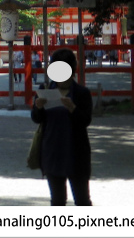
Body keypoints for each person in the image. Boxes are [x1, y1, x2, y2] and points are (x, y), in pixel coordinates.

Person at [31, 48, 93, 206]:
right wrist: (38, 107)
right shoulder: (46, 90)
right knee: (57, 200)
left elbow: (86, 120)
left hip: (76, 151)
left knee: (82, 200)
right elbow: (36, 119)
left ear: (72, 70)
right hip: (52, 150)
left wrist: (73, 108)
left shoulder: (81, 93)